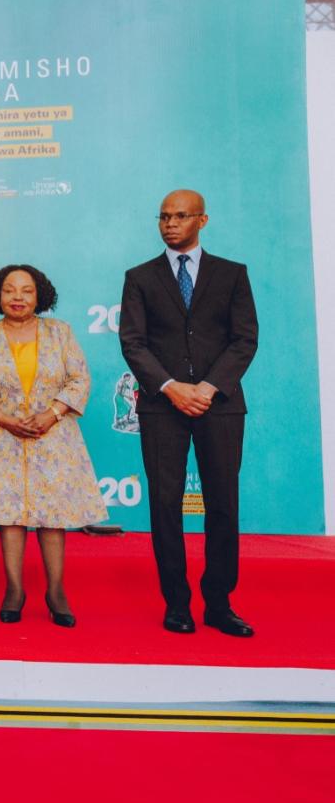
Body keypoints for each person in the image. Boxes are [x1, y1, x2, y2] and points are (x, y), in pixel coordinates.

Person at [119, 189, 258, 637]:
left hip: (220, 405)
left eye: (180, 216)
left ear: (202, 220)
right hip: (162, 406)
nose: (170, 224)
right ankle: (177, 604)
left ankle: (219, 603)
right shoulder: (140, 277)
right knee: (165, 506)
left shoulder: (232, 274)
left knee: (223, 506)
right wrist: (171, 387)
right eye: (164, 217)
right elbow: (133, 342)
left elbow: (244, 339)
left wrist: (208, 387)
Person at [0, 265, 106, 627]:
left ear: (40, 295)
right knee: (10, 515)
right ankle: (14, 589)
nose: (18, 297)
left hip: (52, 437)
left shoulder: (60, 332)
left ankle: (56, 591)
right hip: (1, 437)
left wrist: (51, 414)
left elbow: (79, 379)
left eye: (26, 290)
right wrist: (6, 420)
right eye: (10, 290)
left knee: (52, 516)